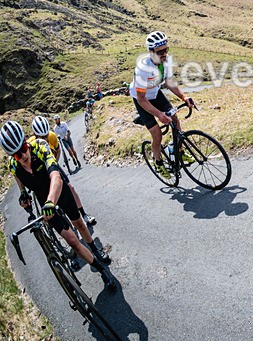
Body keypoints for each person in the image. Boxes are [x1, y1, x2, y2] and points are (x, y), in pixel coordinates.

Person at [1, 121, 116, 291]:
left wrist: (50, 201)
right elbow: (20, 182)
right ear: (12, 157)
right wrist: (23, 194)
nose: (23, 155)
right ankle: (101, 270)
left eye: (24, 148)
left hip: (58, 191)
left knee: (79, 224)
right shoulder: (12, 165)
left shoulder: (40, 146)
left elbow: (56, 176)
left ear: (26, 141)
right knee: (72, 240)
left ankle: (94, 249)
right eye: (17, 155)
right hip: (44, 199)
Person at [130, 31, 195, 179]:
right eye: (160, 51)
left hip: (155, 93)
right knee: (157, 134)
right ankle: (158, 162)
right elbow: (141, 98)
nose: (164, 54)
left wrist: (184, 97)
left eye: (166, 49)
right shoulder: (142, 69)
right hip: (142, 99)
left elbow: (170, 83)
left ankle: (178, 151)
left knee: (175, 119)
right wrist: (159, 115)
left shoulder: (166, 61)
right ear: (151, 51)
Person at [31, 116, 97, 226]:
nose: (44, 139)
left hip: (51, 164)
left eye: (45, 135)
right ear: (34, 134)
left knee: (70, 188)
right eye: (40, 136)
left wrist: (53, 165)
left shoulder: (52, 136)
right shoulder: (30, 143)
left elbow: (58, 151)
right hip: (39, 170)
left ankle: (84, 214)